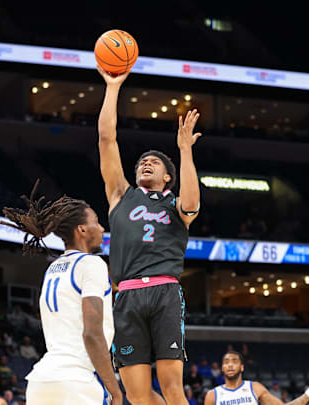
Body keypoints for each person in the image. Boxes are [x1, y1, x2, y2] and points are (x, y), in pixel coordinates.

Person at [97, 65, 202, 405]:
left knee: (173, 388)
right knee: (137, 396)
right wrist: (113, 87)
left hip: (164, 292)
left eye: (155, 162)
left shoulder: (175, 204)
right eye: (142, 161)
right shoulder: (120, 195)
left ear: (168, 177)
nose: (146, 163)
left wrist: (185, 150)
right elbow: (107, 139)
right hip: (126, 297)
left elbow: (192, 202)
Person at [0, 183, 122, 405]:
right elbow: (92, 334)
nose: (102, 229)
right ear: (82, 229)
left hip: (41, 381)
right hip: (76, 381)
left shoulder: (53, 269)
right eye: (96, 222)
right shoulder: (92, 264)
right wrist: (115, 390)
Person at [204, 351, 309, 405]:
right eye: (226, 362)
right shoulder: (212, 395)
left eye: (235, 361)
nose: (230, 364)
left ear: (242, 367)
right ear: (222, 368)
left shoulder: (254, 388)